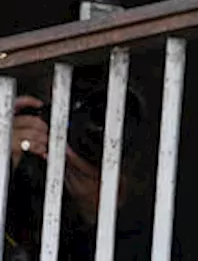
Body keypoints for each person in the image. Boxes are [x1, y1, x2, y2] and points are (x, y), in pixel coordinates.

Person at [5, 69, 150, 260]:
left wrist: (102, 215)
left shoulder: (150, 225)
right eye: (52, 111)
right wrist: (4, 164)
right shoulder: (23, 189)